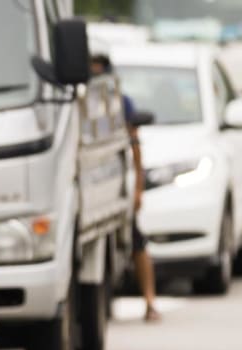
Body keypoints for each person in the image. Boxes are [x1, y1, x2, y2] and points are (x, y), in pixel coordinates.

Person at [90, 51, 160, 322]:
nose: (96, 77)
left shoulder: (120, 102)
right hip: (94, 187)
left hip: (115, 186)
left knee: (137, 243)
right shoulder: (81, 102)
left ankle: (150, 302)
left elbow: (134, 144)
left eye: (100, 71)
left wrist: (138, 188)